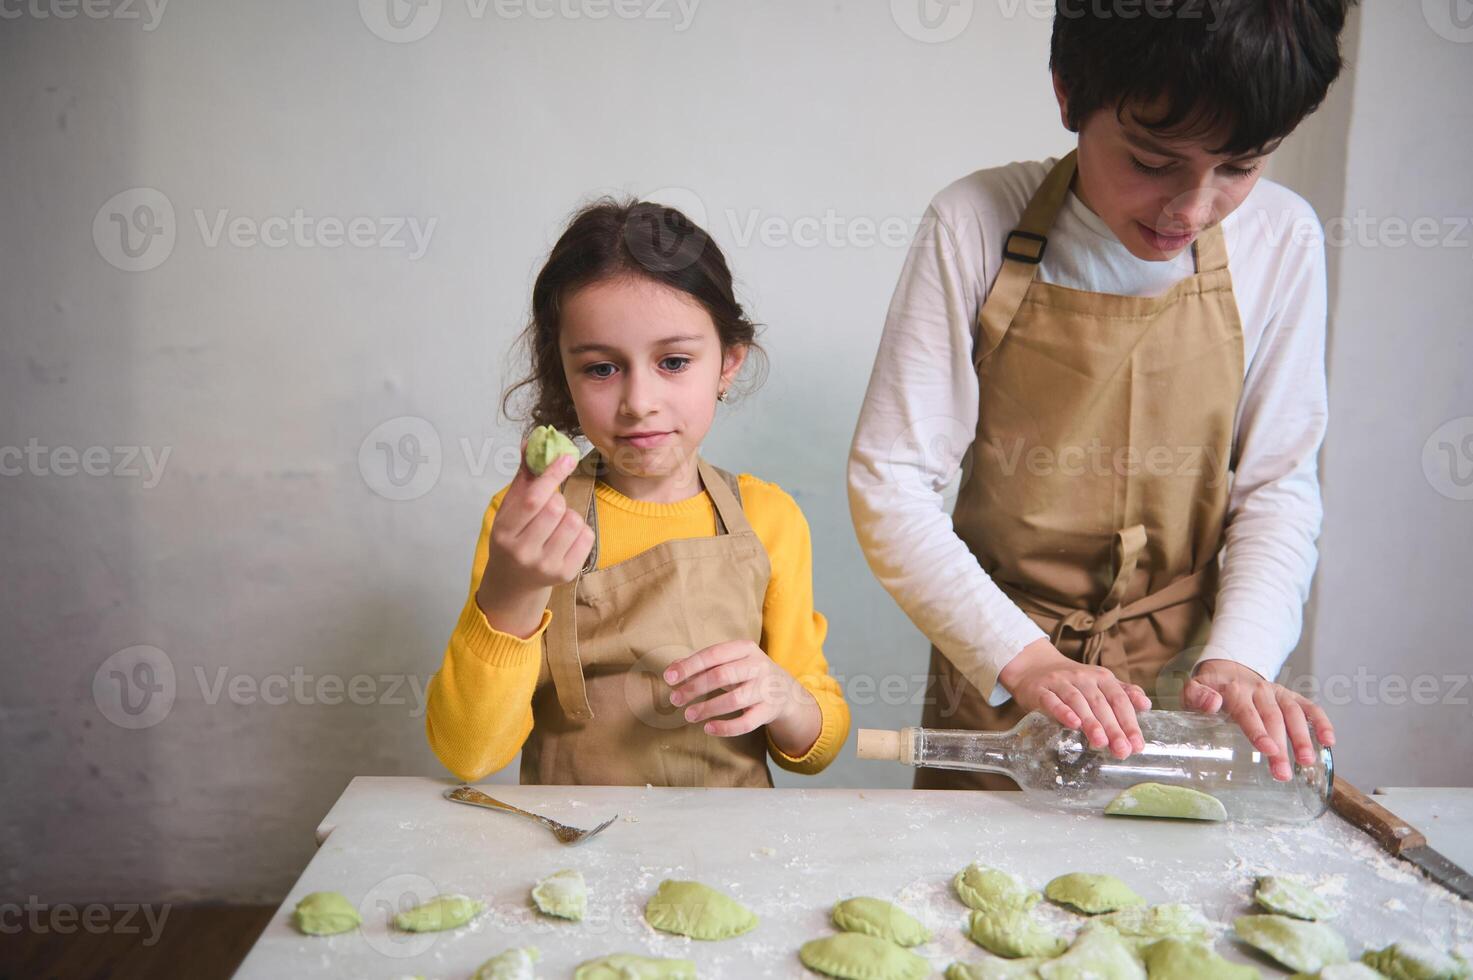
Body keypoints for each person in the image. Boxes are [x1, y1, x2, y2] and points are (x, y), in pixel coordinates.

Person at [848, 0, 1353, 789]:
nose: (1188, 208)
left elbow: (1277, 484)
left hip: (1186, 679)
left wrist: (1240, 657)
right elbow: (891, 484)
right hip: (1002, 670)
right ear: (1066, 95)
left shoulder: (1280, 240)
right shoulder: (974, 223)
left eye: (1239, 167)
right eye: (1152, 162)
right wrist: (1026, 661)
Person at [427, 199, 849, 786]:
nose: (638, 401)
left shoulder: (768, 517)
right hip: (572, 849)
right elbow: (468, 753)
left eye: (673, 361)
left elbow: (817, 745)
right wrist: (512, 587)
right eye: (602, 368)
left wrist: (787, 698)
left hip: (729, 852)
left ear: (728, 362)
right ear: (565, 374)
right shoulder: (527, 523)